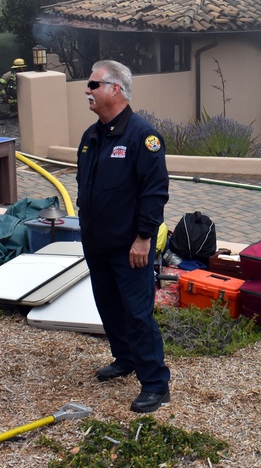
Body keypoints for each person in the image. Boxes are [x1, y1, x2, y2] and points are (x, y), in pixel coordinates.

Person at [76, 59, 171, 413]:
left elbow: (155, 191)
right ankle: (125, 358)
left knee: (137, 313)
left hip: (130, 246)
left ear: (116, 89)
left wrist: (144, 237)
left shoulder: (142, 136)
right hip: (97, 243)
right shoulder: (92, 136)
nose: (87, 90)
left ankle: (156, 383)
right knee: (109, 306)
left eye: (93, 84)